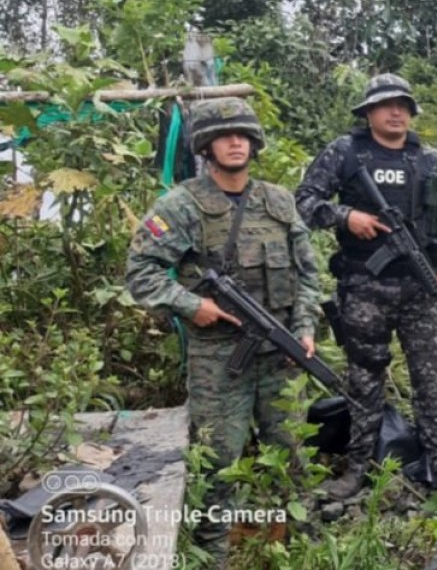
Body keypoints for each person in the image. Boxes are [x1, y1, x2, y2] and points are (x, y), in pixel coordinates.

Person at [126, 97, 320, 566]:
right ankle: (212, 554)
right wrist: (194, 306)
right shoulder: (184, 205)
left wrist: (305, 328)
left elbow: (308, 274)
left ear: (255, 144)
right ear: (206, 146)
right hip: (218, 359)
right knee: (216, 464)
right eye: (224, 135)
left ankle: (302, 549)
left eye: (244, 136)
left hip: (279, 355)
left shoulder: (277, 201)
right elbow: (141, 271)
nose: (236, 143)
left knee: (293, 453)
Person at [294, 74, 437, 498]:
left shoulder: (429, 160)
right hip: (364, 286)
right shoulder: (345, 151)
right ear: (368, 112)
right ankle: (358, 468)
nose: (396, 112)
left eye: (404, 105)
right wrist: (345, 217)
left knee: (430, 384)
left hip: (421, 291)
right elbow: (302, 201)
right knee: (364, 381)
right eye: (387, 104)